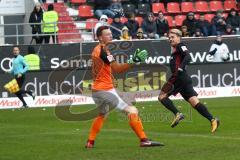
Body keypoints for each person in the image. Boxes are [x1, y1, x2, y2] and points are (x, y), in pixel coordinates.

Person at [85, 26, 163, 148]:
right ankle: (144, 140)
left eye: (111, 33)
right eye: (107, 34)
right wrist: (133, 61)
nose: (110, 36)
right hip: (105, 90)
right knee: (132, 110)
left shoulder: (97, 50)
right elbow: (118, 69)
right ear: (100, 37)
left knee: (102, 114)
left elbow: (105, 69)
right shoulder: (103, 51)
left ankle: (90, 142)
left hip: (96, 90)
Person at [158, 29, 220, 133]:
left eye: (172, 37)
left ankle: (178, 114)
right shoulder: (175, 48)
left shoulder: (180, 45)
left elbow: (188, 56)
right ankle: (213, 120)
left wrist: (181, 67)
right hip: (184, 79)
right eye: (169, 37)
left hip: (178, 77)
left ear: (179, 37)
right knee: (194, 102)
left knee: (161, 96)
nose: (170, 39)